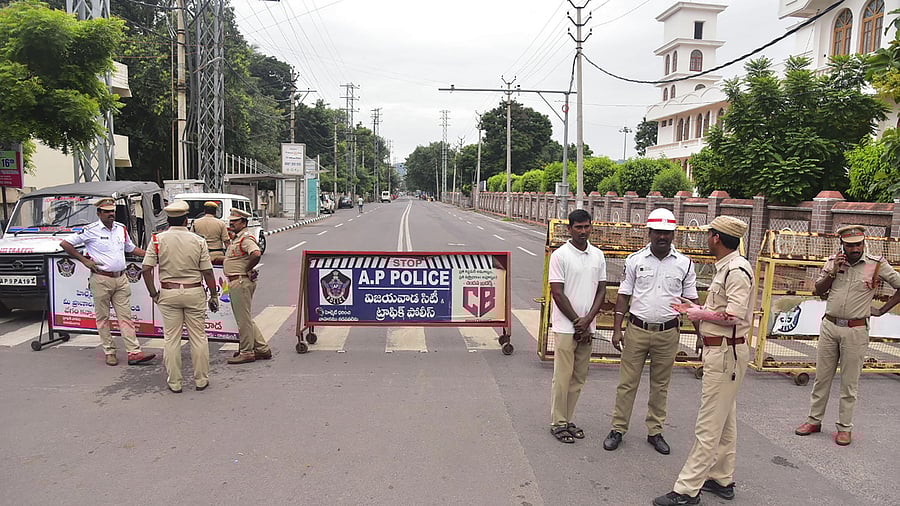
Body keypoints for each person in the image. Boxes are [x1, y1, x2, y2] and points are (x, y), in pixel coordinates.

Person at [654, 215, 753, 506]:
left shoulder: (736, 270)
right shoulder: (727, 267)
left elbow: (734, 316)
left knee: (708, 424)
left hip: (726, 352)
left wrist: (700, 314)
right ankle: (722, 478)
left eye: (709, 234)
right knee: (725, 420)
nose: (707, 238)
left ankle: (687, 490)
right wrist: (694, 308)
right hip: (722, 351)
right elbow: (722, 308)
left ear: (717, 238)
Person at [604, 208, 699, 455]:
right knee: (627, 383)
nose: (662, 237)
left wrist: (700, 334)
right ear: (649, 232)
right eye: (658, 232)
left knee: (660, 385)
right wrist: (617, 329)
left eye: (667, 233)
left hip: (668, 333)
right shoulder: (635, 260)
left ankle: (655, 431)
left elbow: (691, 301)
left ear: (673, 234)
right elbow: (623, 296)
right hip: (637, 330)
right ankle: (618, 429)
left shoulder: (685, 264)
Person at [794, 225, 900, 446]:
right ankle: (814, 420)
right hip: (830, 326)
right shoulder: (833, 261)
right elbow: (819, 290)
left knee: (849, 383)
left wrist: (882, 310)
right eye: (850, 245)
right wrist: (833, 271)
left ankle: (844, 428)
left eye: (858, 244)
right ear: (842, 245)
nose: (854, 249)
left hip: (855, 329)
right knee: (821, 378)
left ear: (864, 243)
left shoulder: (875, 264)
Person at [60, 197, 155, 367]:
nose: (111, 214)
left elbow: (130, 248)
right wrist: (84, 260)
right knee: (103, 318)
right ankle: (109, 351)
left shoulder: (121, 228)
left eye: (112, 211)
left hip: (121, 278)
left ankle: (134, 352)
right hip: (101, 278)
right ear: (99, 213)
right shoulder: (91, 230)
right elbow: (65, 244)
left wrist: (151, 255)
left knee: (126, 317)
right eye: (106, 212)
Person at [141, 200, 219, 393]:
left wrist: (153, 293)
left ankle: (175, 382)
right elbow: (208, 272)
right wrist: (213, 295)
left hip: (168, 293)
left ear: (168, 221)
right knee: (198, 337)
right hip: (194, 292)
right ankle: (201, 380)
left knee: (171, 339)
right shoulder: (198, 241)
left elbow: (146, 269)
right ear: (186, 220)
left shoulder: (157, 240)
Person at [547, 209, 607, 444]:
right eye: (578, 227)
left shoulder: (598, 256)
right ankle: (558, 422)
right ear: (569, 229)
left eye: (586, 226)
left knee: (578, 377)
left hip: (587, 327)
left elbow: (601, 290)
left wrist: (588, 320)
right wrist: (576, 321)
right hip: (565, 327)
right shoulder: (560, 256)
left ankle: (568, 419)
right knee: (562, 377)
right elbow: (557, 293)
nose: (583, 231)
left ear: (591, 227)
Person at [223, 208, 272, 364]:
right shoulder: (236, 239)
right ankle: (262, 348)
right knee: (245, 318)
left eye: (235, 222)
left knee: (243, 320)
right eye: (230, 221)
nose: (231, 224)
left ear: (243, 223)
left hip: (241, 281)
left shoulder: (245, 238)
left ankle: (247, 352)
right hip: (238, 281)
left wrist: (247, 268)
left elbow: (256, 253)